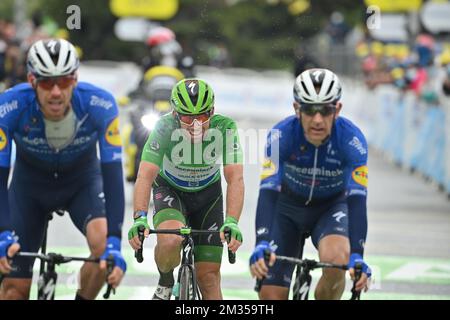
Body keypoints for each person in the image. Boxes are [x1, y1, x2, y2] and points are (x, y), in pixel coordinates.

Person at [0, 38, 126, 299]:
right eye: (47, 82)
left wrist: (115, 240)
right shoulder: (10, 106)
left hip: (81, 183)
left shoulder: (99, 105)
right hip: (29, 188)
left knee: (103, 248)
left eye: (65, 81)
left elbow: (114, 175)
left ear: (75, 79)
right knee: (14, 290)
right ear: (32, 81)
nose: (56, 92)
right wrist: (2, 233)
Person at [249, 68, 371, 300]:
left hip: (330, 208)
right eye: (309, 109)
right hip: (287, 208)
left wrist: (357, 254)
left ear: (337, 110)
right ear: (297, 109)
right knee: (271, 298)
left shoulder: (352, 140)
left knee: (338, 262)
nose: (317, 119)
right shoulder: (280, 136)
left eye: (325, 110)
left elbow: (357, 199)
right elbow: (267, 191)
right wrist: (261, 242)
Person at [128, 78, 244, 300]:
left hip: (208, 197)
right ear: (174, 114)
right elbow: (144, 175)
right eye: (187, 118)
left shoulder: (225, 128)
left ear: (212, 111)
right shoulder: (164, 127)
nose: (195, 125)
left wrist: (232, 221)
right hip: (171, 191)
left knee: (209, 279)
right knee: (170, 239)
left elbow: (235, 178)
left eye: (202, 116)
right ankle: (165, 280)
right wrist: (140, 217)